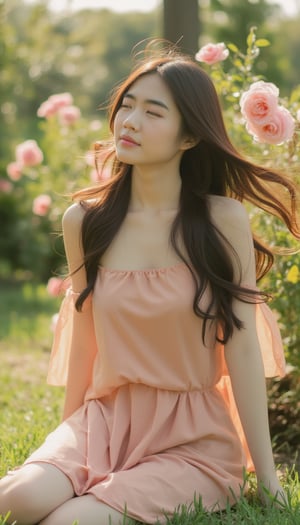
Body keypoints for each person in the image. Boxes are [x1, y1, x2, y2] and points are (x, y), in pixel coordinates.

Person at [0, 46, 299, 525]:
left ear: (188, 138)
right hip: (107, 419)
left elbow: (241, 346)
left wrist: (267, 479)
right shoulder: (86, 221)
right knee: (21, 500)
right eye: (127, 105)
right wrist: (66, 447)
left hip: (193, 437)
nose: (130, 122)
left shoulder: (221, 221)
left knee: (68, 522)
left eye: (153, 111)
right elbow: (84, 340)